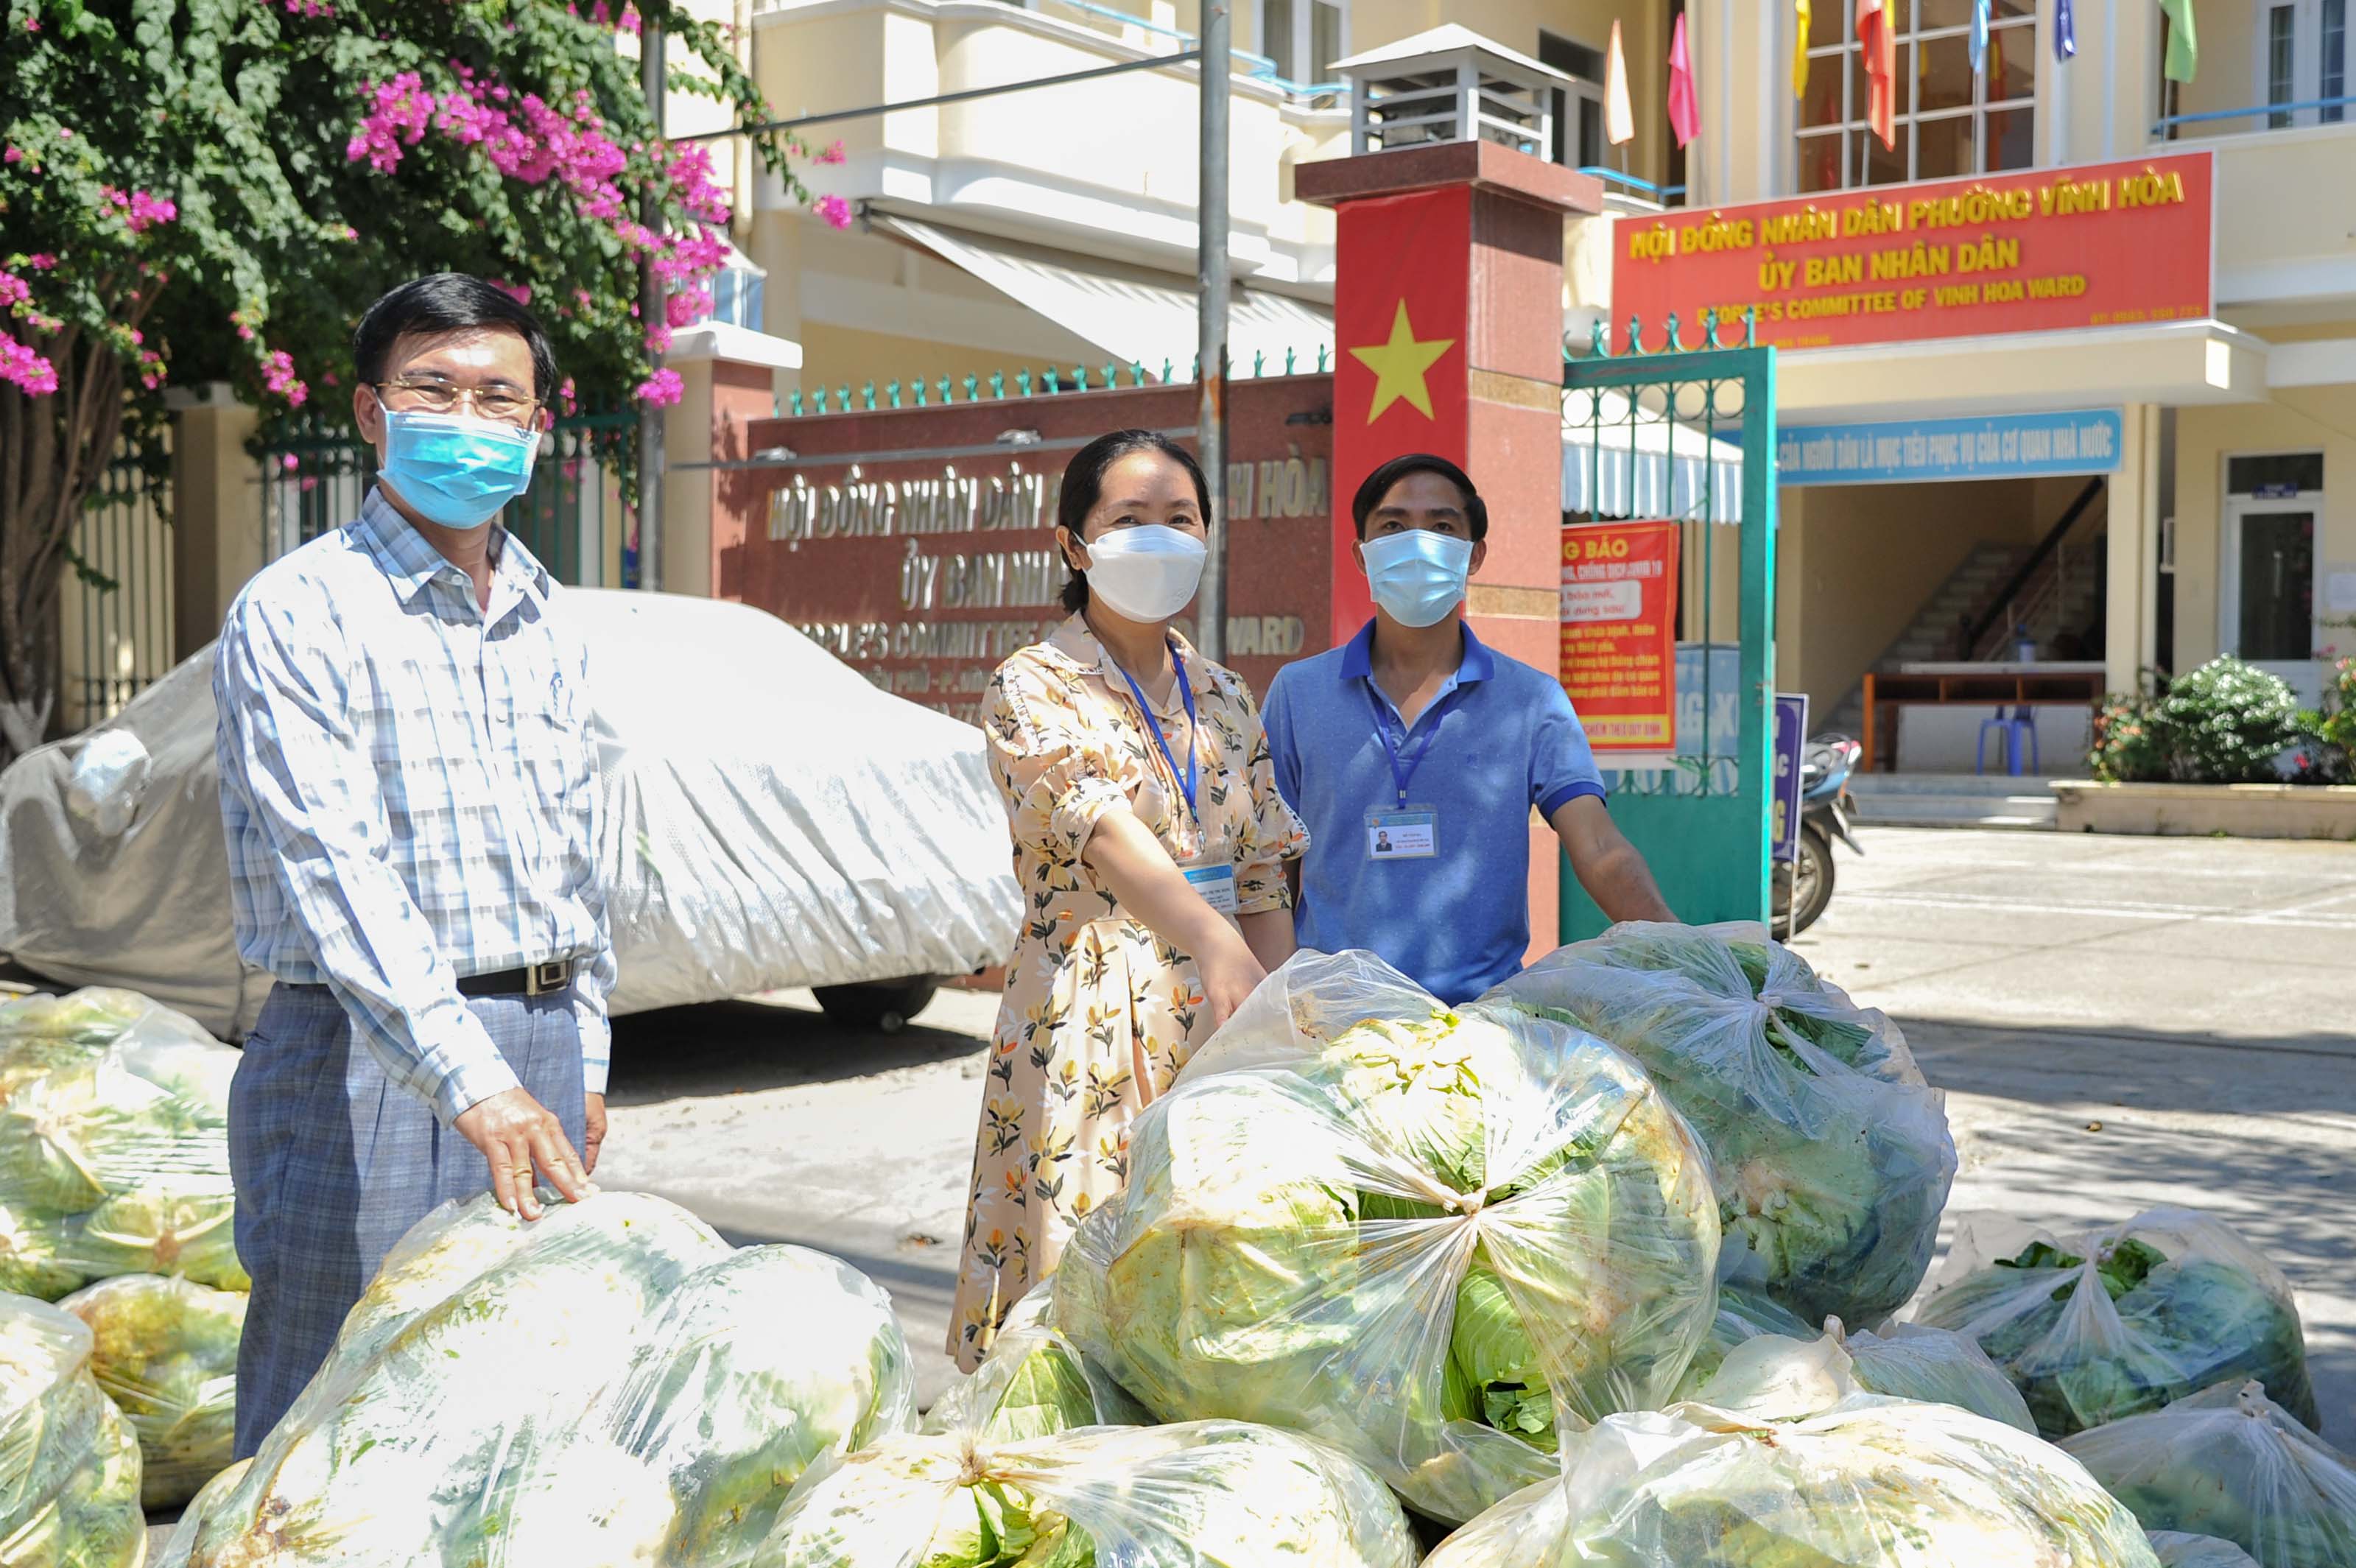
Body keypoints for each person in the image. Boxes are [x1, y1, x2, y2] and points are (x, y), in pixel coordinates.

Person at [214, 274, 611, 1455]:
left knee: (504, 1401)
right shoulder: (299, 610)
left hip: (532, 1042)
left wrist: (581, 1043)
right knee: (328, 1407)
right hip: (360, 1054)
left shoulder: (549, 614)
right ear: (370, 412)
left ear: (539, 428)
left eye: (502, 398)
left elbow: (579, 857)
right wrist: (467, 1077)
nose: (470, 418)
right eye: (433, 388)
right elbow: (334, 867)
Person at [949, 429, 1305, 1369]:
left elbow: (1264, 867)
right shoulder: (1032, 683)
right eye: (1128, 518)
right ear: (1073, 545)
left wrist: (1271, 996)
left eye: (1179, 518)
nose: (1157, 537)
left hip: (1224, 1010)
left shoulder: (1226, 693)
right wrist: (1215, 942)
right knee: (1089, 1273)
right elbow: (1098, 827)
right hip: (1095, 1003)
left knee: (1218, 1253)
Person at [1264, 453, 1673, 1005]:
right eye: (1392, 525)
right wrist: (1275, 1002)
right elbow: (1269, 870)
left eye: (1441, 525)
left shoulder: (1531, 700)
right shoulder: (1297, 693)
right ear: (1362, 556)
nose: (1417, 541)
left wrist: (1686, 955)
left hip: (1483, 1022)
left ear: (1473, 554)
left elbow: (1598, 845)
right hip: (1333, 1017)